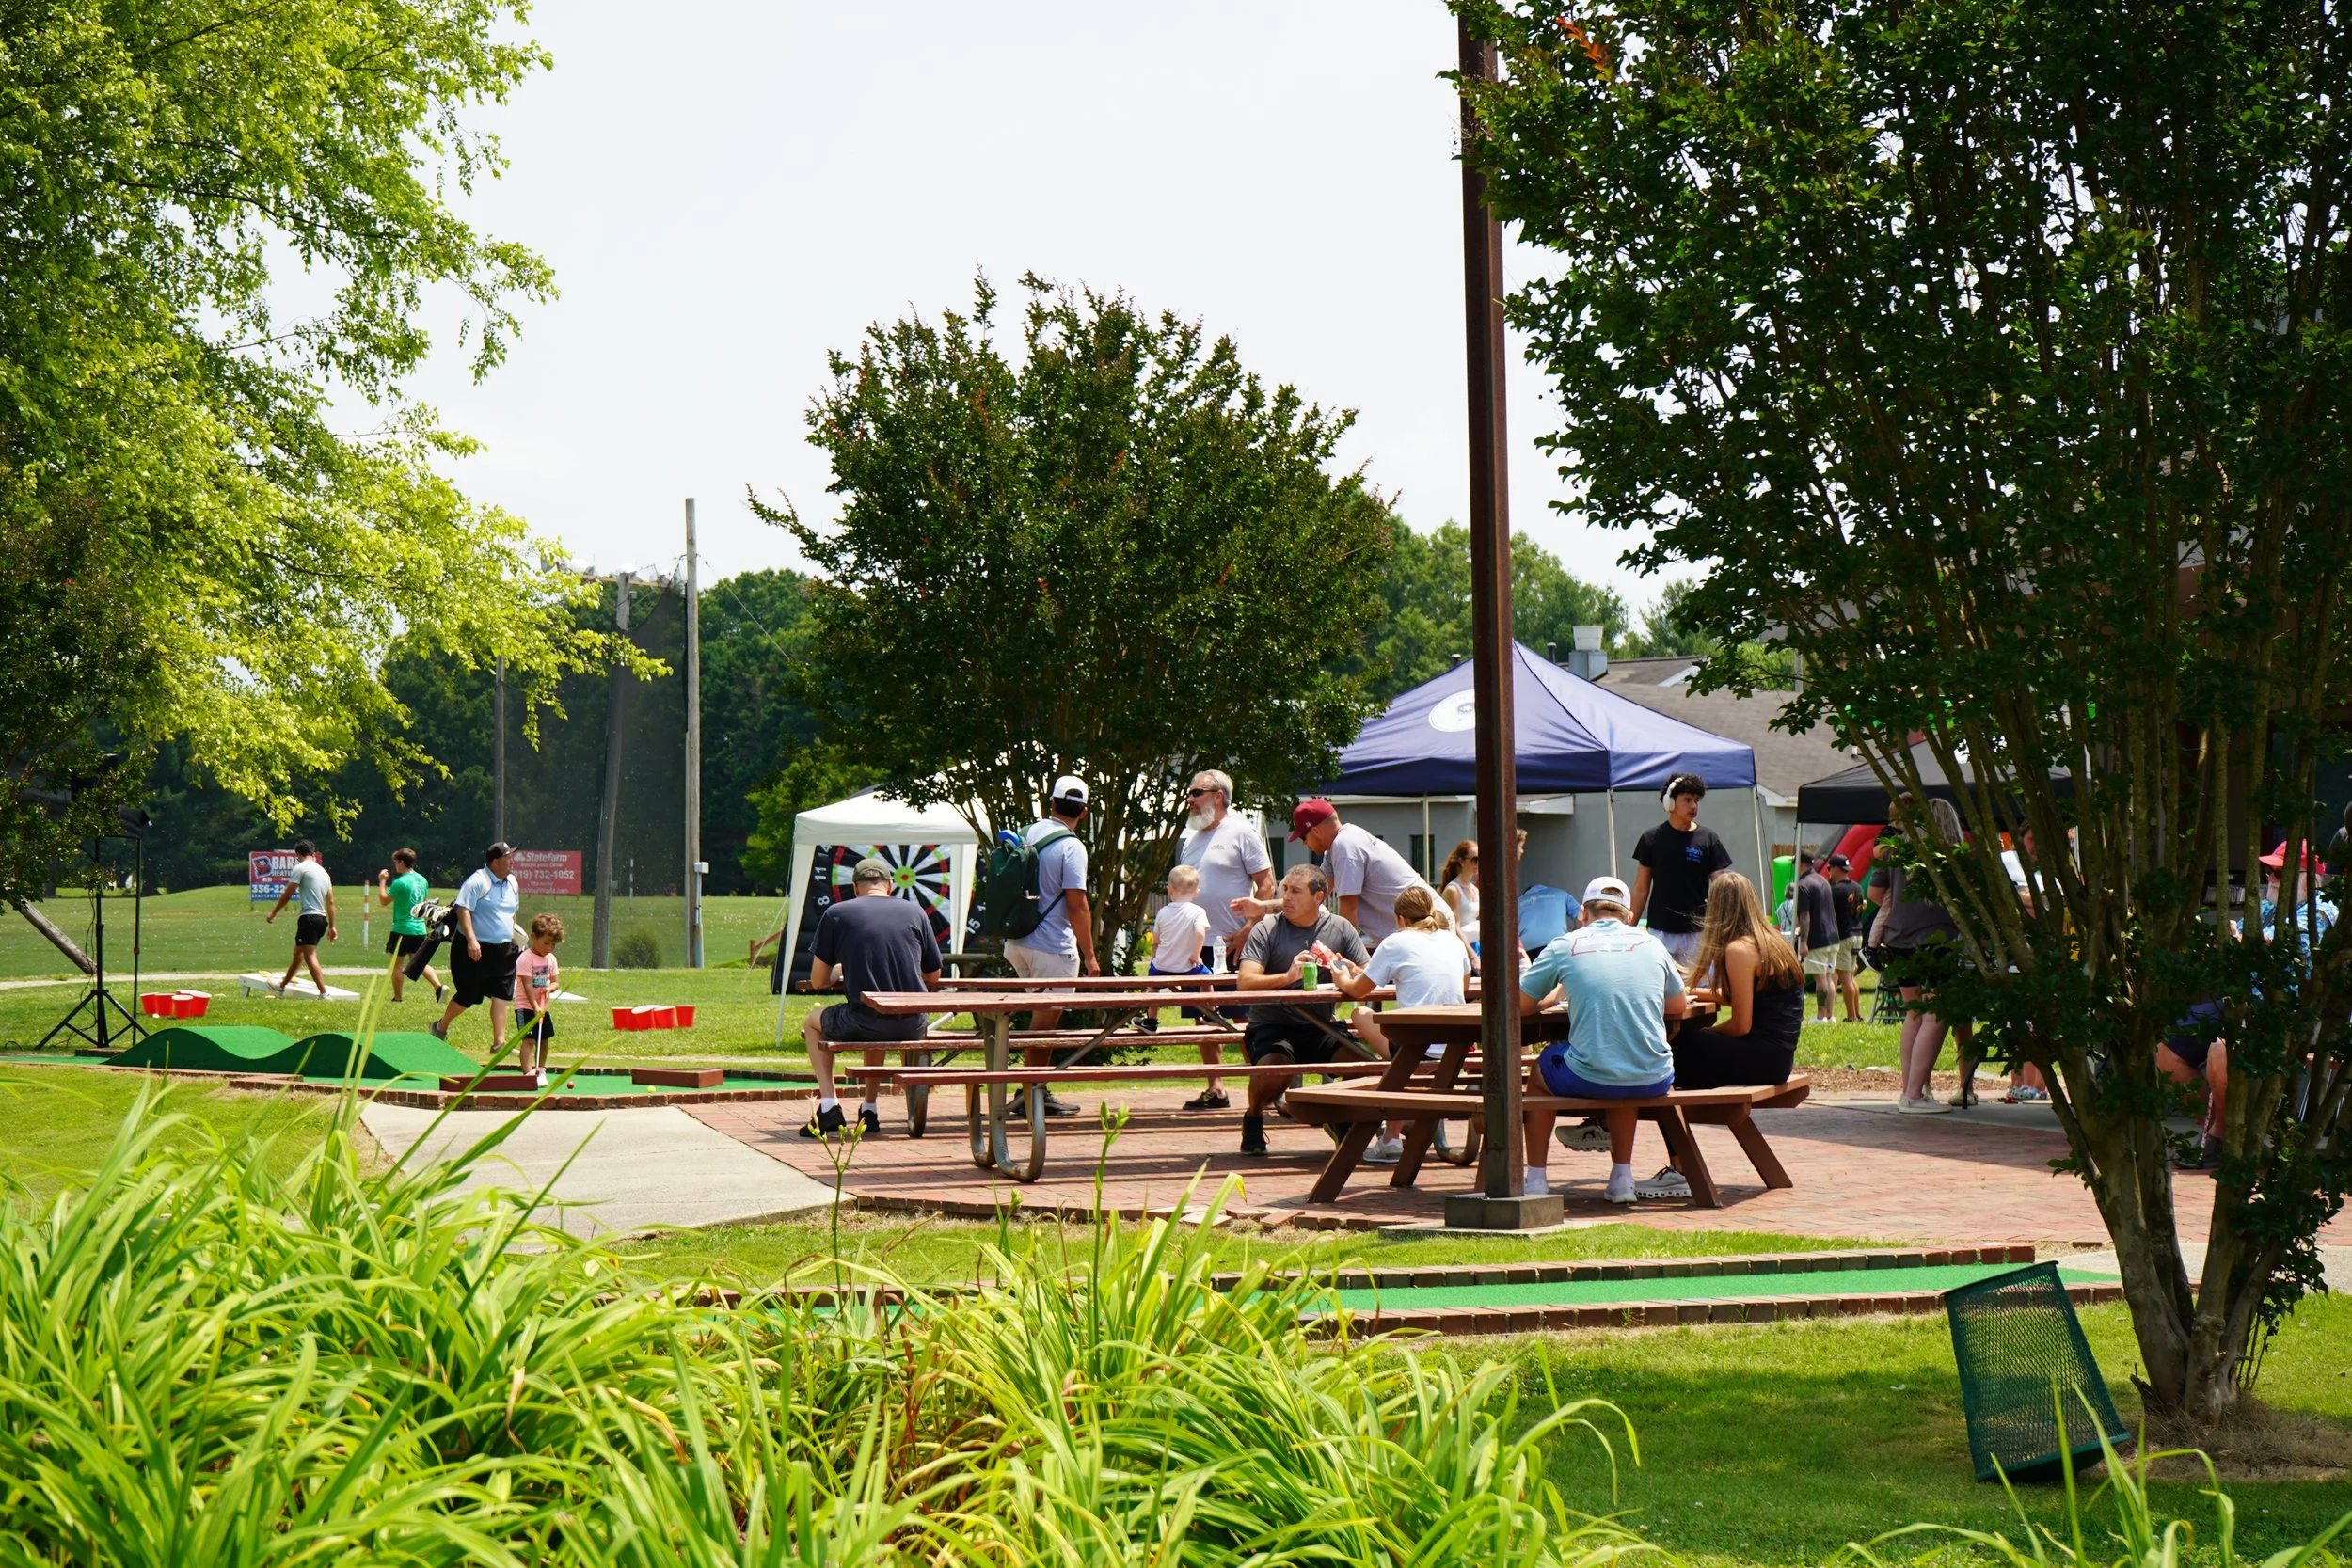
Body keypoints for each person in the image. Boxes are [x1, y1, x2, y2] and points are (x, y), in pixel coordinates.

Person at [1517, 876, 1688, 1205]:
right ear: (1627, 915)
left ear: (1583, 912)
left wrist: (1553, 996)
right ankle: (1622, 1178)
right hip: (1654, 1075)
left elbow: (1522, 1005)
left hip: (1591, 1073)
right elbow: (1678, 1005)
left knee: (1540, 1072)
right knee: (1625, 1064)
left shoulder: (1565, 945)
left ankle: (1536, 1179)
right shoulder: (1651, 944)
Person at [801, 856, 944, 1139]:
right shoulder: (915, 912)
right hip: (913, 1024)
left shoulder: (837, 914)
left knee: (812, 1023)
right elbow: (934, 976)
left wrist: (840, 969)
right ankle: (870, 1108)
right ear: (889, 885)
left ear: (855, 887)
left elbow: (817, 981)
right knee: (878, 1015)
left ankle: (829, 1106)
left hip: (864, 1021)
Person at [1233, 864, 1369, 1156]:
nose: (1286, 897)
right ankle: (1254, 1115)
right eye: (1284, 890)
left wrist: (1354, 971)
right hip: (1273, 1025)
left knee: (1366, 1068)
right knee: (1275, 1072)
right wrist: (1287, 977)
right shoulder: (1267, 928)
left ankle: (1339, 1118)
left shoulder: (1340, 927)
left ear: (1319, 897)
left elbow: (1369, 971)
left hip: (1320, 1025)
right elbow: (1245, 981)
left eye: (1295, 891)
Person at [1333, 884, 1471, 1164]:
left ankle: (1391, 1138)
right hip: (1455, 1045)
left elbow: (1358, 991)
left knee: (1361, 1014)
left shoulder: (1396, 942)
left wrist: (1341, 978)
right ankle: (1395, 1133)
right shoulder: (1453, 942)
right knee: (1402, 1057)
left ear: (1400, 919)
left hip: (1416, 1047)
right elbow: (1462, 987)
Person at [1173, 769, 1275, 1109]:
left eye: (1196, 792)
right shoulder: (1192, 838)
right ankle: (1216, 1088)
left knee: (1246, 1019)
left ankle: (1264, 1087)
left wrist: (1248, 929)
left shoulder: (1241, 831)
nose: (1189, 799)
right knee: (1203, 1018)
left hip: (1234, 943)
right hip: (1197, 945)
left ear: (1219, 795)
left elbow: (1267, 884)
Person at [1867, 800, 1973, 1114]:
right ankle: (1914, 1094)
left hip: (1898, 937)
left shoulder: (1895, 848)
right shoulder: (1949, 855)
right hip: (1934, 937)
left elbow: (1875, 894)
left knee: (1914, 1012)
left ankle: (1910, 1090)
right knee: (1936, 1013)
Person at [1002, 776, 1098, 1117]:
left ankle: (1030, 1089)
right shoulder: (1072, 846)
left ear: (1052, 803)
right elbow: (1077, 904)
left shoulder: (1026, 833)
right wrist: (1090, 955)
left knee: (1040, 1018)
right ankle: (1033, 1093)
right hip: (1052, 946)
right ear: (1084, 813)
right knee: (1045, 1022)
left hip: (1017, 940)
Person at [1675, 872, 1806, 1089]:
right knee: (1685, 1044)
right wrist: (1693, 991)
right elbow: (1750, 999)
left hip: (1761, 1060)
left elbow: (1741, 1026)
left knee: (1677, 1044)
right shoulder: (1774, 942)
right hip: (1778, 1060)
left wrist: (1704, 1034)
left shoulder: (1740, 949)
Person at [1267, 799, 1433, 948]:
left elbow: (1348, 911)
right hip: (1421, 931)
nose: (1304, 844)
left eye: (1303, 837)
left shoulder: (1344, 845)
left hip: (1429, 930)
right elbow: (1311, 896)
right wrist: (1262, 907)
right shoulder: (1339, 846)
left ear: (1316, 831)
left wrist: (1343, 958)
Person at [1629, 773, 1733, 971]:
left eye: (1697, 800)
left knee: (1700, 990)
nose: (1693, 806)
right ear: (1670, 803)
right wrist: (1628, 929)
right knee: (1659, 987)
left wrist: (1724, 923)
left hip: (1698, 932)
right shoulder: (1651, 838)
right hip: (1659, 931)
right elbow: (1641, 887)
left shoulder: (1708, 838)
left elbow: (1722, 885)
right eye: (1687, 800)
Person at [431, 842, 521, 1053]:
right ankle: (440, 1027)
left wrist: (513, 935)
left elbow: (511, 912)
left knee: (502, 993)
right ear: (495, 861)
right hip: (475, 949)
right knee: (469, 994)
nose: (512, 861)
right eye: (508, 857)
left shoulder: (513, 883)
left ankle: (499, 1043)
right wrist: (472, 939)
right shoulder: (477, 881)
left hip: (504, 949)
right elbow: (463, 910)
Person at [265, 839, 337, 998]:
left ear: (297, 854)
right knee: (298, 953)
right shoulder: (324, 872)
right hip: (321, 919)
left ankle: (324, 994)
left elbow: (287, 894)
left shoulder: (301, 868)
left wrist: (273, 913)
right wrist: (332, 926)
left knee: (309, 955)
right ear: (313, 853)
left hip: (308, 918)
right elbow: (330, 902)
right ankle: (281, 986)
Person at [376, 847, 442, 1004]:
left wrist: (382, 881)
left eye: (396, 862)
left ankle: (398, 998)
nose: (395, 866)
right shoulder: (422, 880)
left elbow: (383, 900)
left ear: (401, 862)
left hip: (402, 928)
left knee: (397, 964)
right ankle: (439, 987)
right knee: (418, 962)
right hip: (419, 928)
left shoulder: (400, 882)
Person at [509, 913, 564, 1077]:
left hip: (543, 1008)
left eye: (553, 945)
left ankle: (541, 1070)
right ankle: (527, 1074)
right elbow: (527, 985)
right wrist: (535, 1007)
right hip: (525, 1007)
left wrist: (550, 988)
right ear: (534, 937)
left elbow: (555, 981)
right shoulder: (526, 958)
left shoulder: (551, 959)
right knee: (529, 1040)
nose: (549, 948)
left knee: (544, 1039)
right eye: (546, 943)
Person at [1793, 853, 1843, 1022]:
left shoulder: (1802, 885)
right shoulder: (1823, 880)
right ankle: (1830, 1015)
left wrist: (1803, 942)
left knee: (1820, 978)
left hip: (1818, 939)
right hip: (1833, 937)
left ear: (1800, 864)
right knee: (1829, 977)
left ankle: (1821, 1016)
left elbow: (1805, 917)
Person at [1824, 853, 1867, 1022]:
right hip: (1857, 934)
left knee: (1845, 978)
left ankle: (1851, 1016)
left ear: (1836, 869)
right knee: (1850, 976)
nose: (1828, 872)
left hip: (1843, 936)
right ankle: (1857, 1013)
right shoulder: (1857, 887)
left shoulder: (1834, 891)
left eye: (1829, 868)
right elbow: (1861, 906)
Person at [1439, 840, 1481, 952]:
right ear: (1461, 861)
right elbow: (1454, 927)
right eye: (1474, 860)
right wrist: (1472, 956)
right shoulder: (1453, 890)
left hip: (1476, 945)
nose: (1478, 864)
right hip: (1460, 948)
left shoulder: (1475, 890)